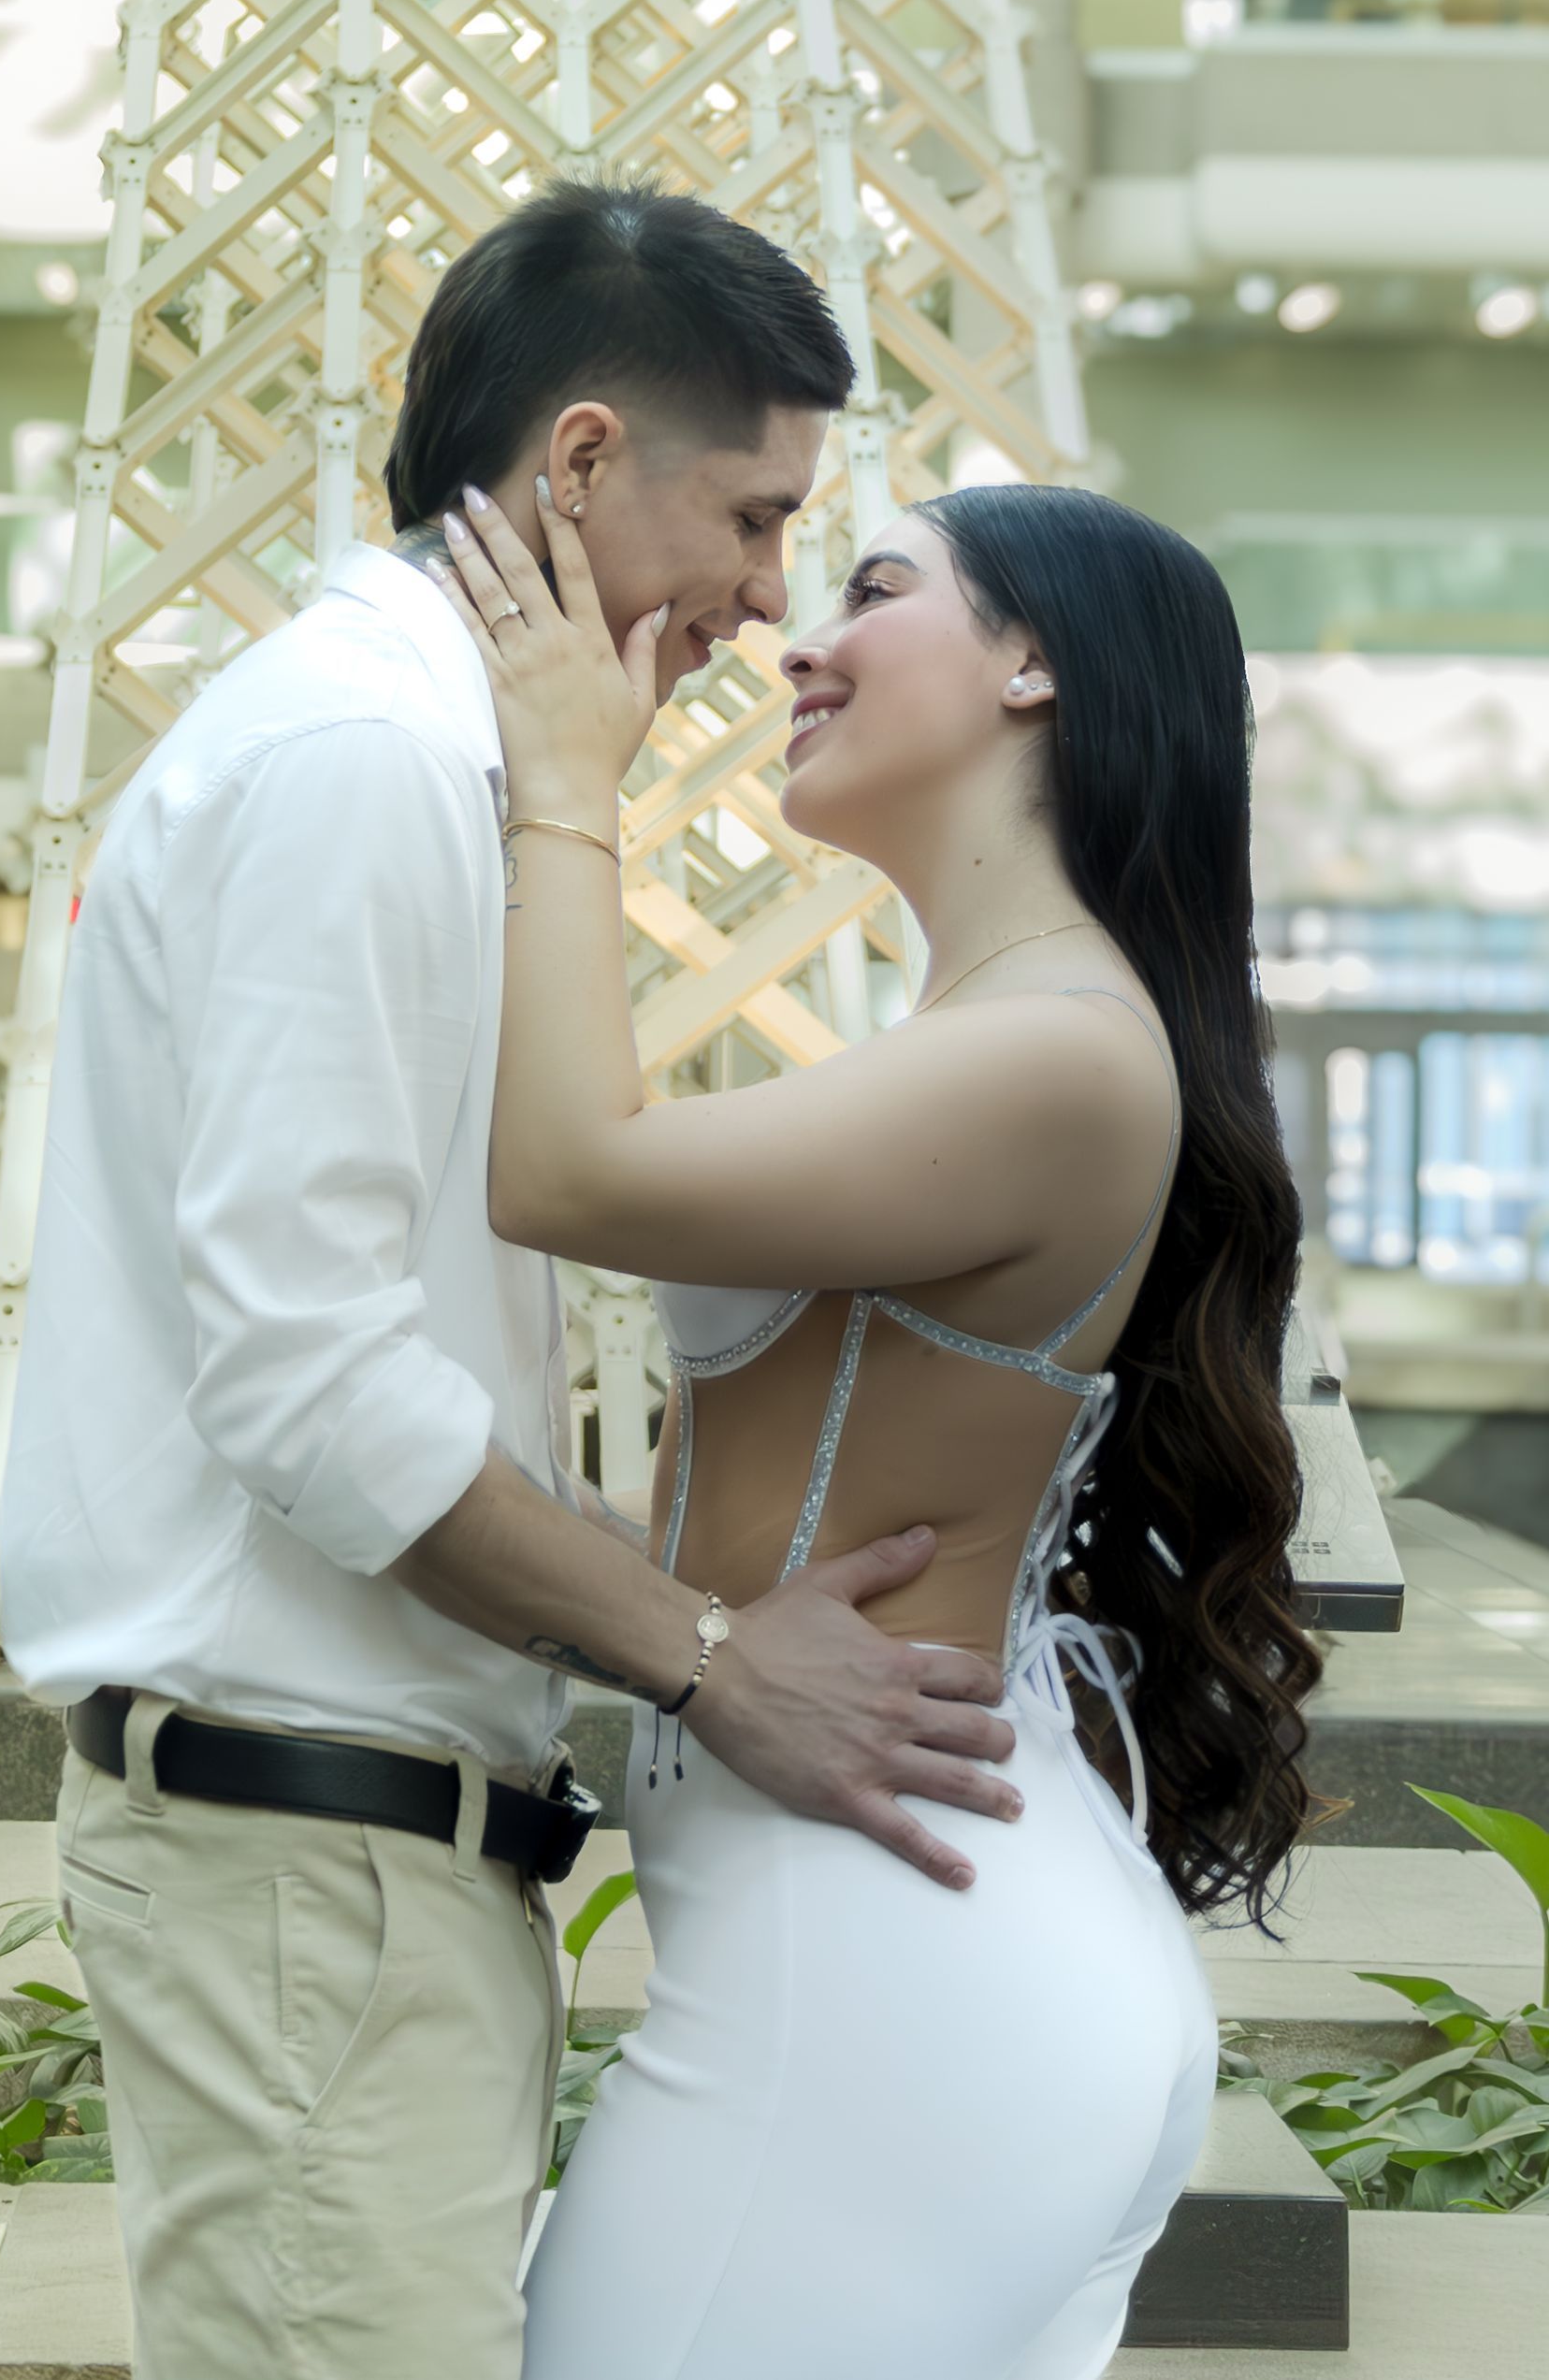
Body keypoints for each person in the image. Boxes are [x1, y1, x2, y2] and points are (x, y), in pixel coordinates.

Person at [0, 179, 1025, 2380]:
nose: (766, 601)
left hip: (355, 1860)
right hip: (308, 1854)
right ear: (576, 461)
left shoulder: (434, 758)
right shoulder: (367, 759)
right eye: (754, 521)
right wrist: (706, 1658)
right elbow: (305, 1381)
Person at [430, 474, 1323, 2380]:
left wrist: (568, 774)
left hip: (886, 1985)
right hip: (919, 1962)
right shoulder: (1013, 1030)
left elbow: (566, 1167)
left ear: (1034, 668)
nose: (798, 639)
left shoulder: (1060, 1051)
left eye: (873, 587)